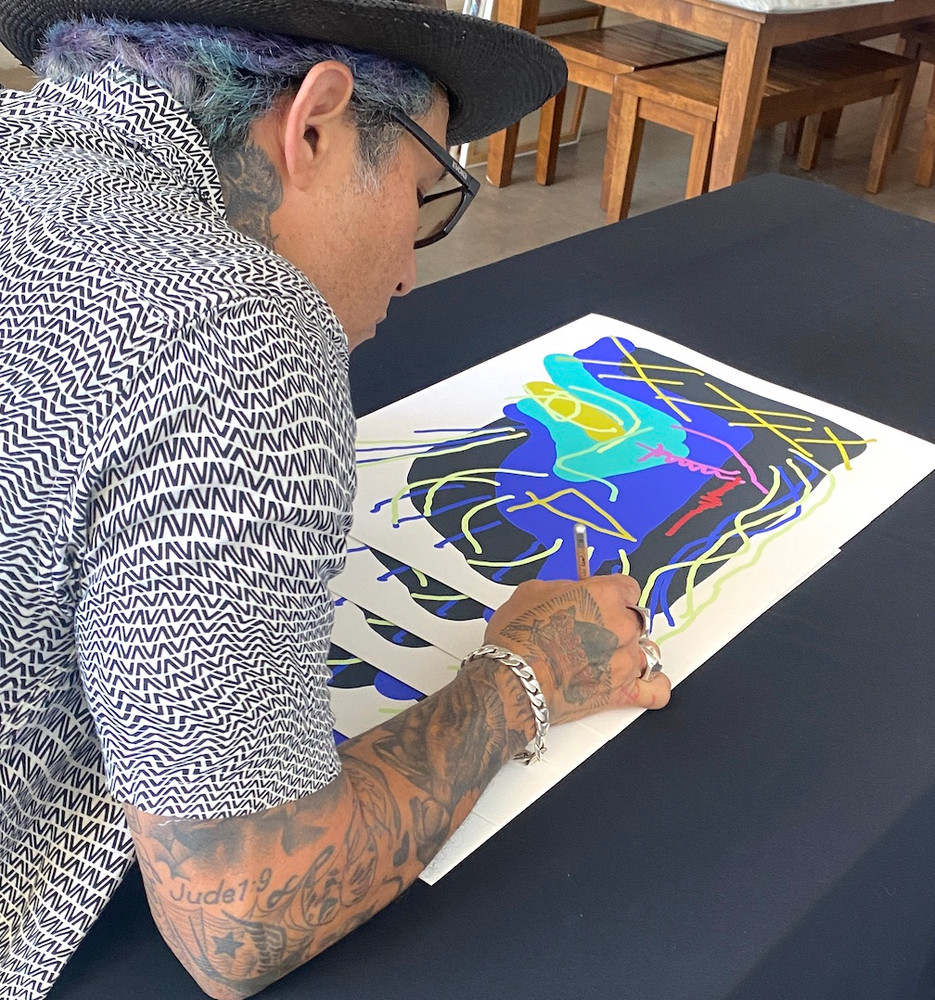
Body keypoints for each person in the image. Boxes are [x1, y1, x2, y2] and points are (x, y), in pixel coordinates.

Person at [0, 3, 671, 998]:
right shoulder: (228, 322)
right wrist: (524, 675)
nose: (407, 272)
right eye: (422, 193)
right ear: (313, 124)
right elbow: (243, 919)